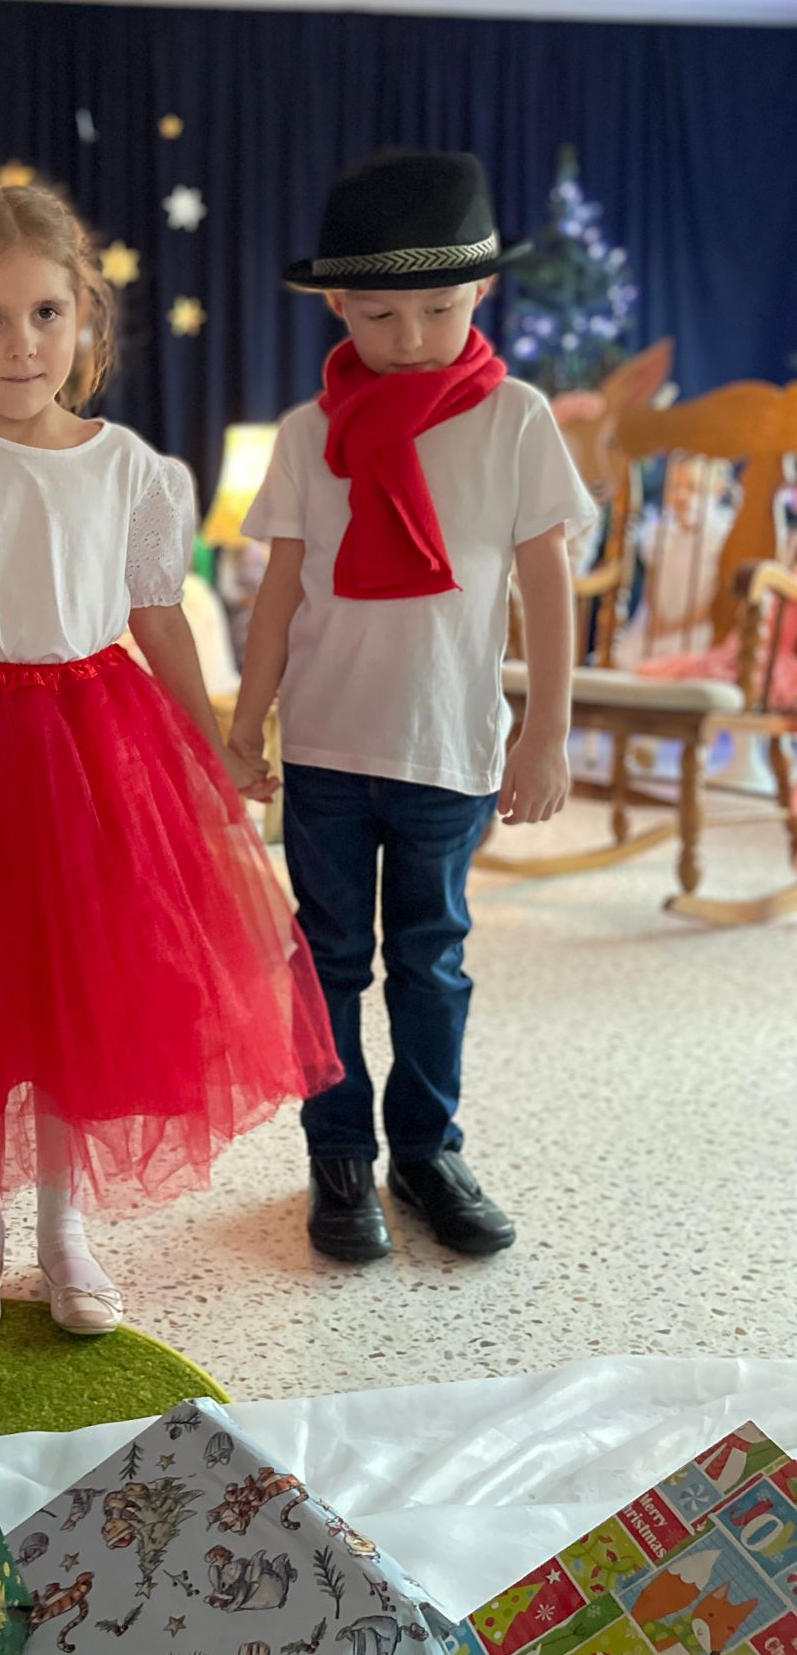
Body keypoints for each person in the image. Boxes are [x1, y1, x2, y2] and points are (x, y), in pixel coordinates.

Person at [0, 179, 339, 1340]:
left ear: (86, 315)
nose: (22, 344)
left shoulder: (131, 467)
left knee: (79, 998)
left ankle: (64, 1226)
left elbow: (158, 620)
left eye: (46, 313)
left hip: (91, 754)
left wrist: (215, 750)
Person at [231, 151, 594, 1264]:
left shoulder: (516, 420)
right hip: (329, 747)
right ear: (337, 304)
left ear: (480, 289)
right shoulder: (309, 432)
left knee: (431, 959)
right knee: (329, 958)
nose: (412, 336)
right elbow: (280, 591)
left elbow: (545, 585)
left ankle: (428, 1151)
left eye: (439, 308)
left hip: (448, 745)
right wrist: (246, 724)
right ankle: (338, 1153)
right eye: (381, 313)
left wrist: (546, 732)